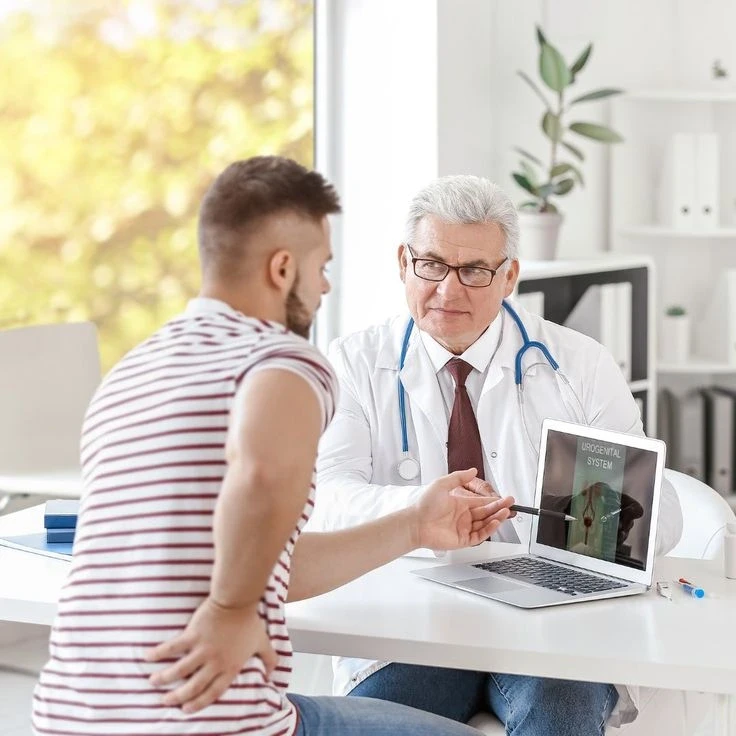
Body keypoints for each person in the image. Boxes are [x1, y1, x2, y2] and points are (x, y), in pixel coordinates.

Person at [31, 158, 515, 736]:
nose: (325, 286)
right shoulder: (279, 360)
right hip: (208, 718)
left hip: (68, 715)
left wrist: (413, 525)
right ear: (283, 268)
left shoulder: (133, 371)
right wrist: (230, 612)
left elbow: (266, 559)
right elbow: (261, 477)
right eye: (321, 267)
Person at [312, 174, 684, 734]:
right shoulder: (354, 364)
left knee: (559, 711)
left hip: (552, 618)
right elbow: (326, 501)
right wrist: (421, 513)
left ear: (509, 275)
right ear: (403, 261)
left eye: (475, 271)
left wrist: (610, 518)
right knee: (387, 717)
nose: (448, 290)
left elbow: (664, 516)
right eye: (431, 264)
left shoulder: (579, 365)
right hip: (413, 618)